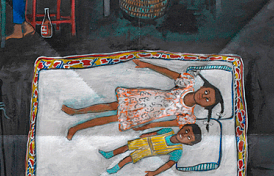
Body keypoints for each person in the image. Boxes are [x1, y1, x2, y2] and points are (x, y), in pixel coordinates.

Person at [61, 57, 223, 141]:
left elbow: (168, 123)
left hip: (145, 114)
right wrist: (147, 65)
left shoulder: (188, 115)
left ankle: (76, 128)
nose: (204, 96)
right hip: (143, 98)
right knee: (110, 106)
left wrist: (149, 126)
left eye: (207, 100)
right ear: (203, 87)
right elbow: (168, 73)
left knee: (111, 118)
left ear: (205, 106)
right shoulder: (188, 84)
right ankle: (76, 111)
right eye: (207, 92)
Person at [96, 123, 202, 176]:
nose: (184, 135)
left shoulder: (177, 150)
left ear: (189, 144)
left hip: (147, 152)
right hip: (144, 141)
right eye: (186, 130)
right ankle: (109, 154)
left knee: (129, 158)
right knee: (124, 148)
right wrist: (146, 135)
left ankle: (115, 169)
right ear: (183, 127)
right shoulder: (168, 131)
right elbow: (156, 133)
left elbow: (168, 164)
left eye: (189, 137)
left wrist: (154, 173)